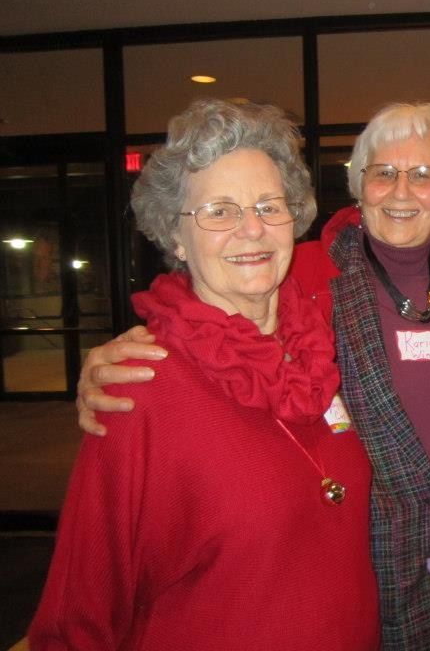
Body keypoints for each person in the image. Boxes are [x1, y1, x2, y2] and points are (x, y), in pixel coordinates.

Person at [73, 102, 430, 651]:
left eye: (423, 175)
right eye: (383, 172)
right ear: (357, 186)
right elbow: (212, 310)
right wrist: (108, 364)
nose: (401, 190)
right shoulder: (304, 272)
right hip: (368, 581)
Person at [28, 99, 380, 650]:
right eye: (219, 210)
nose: (252, 229)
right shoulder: (140, 388)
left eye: (269, 205)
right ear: (174, 235)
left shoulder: (315, 349)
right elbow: (79, 615)